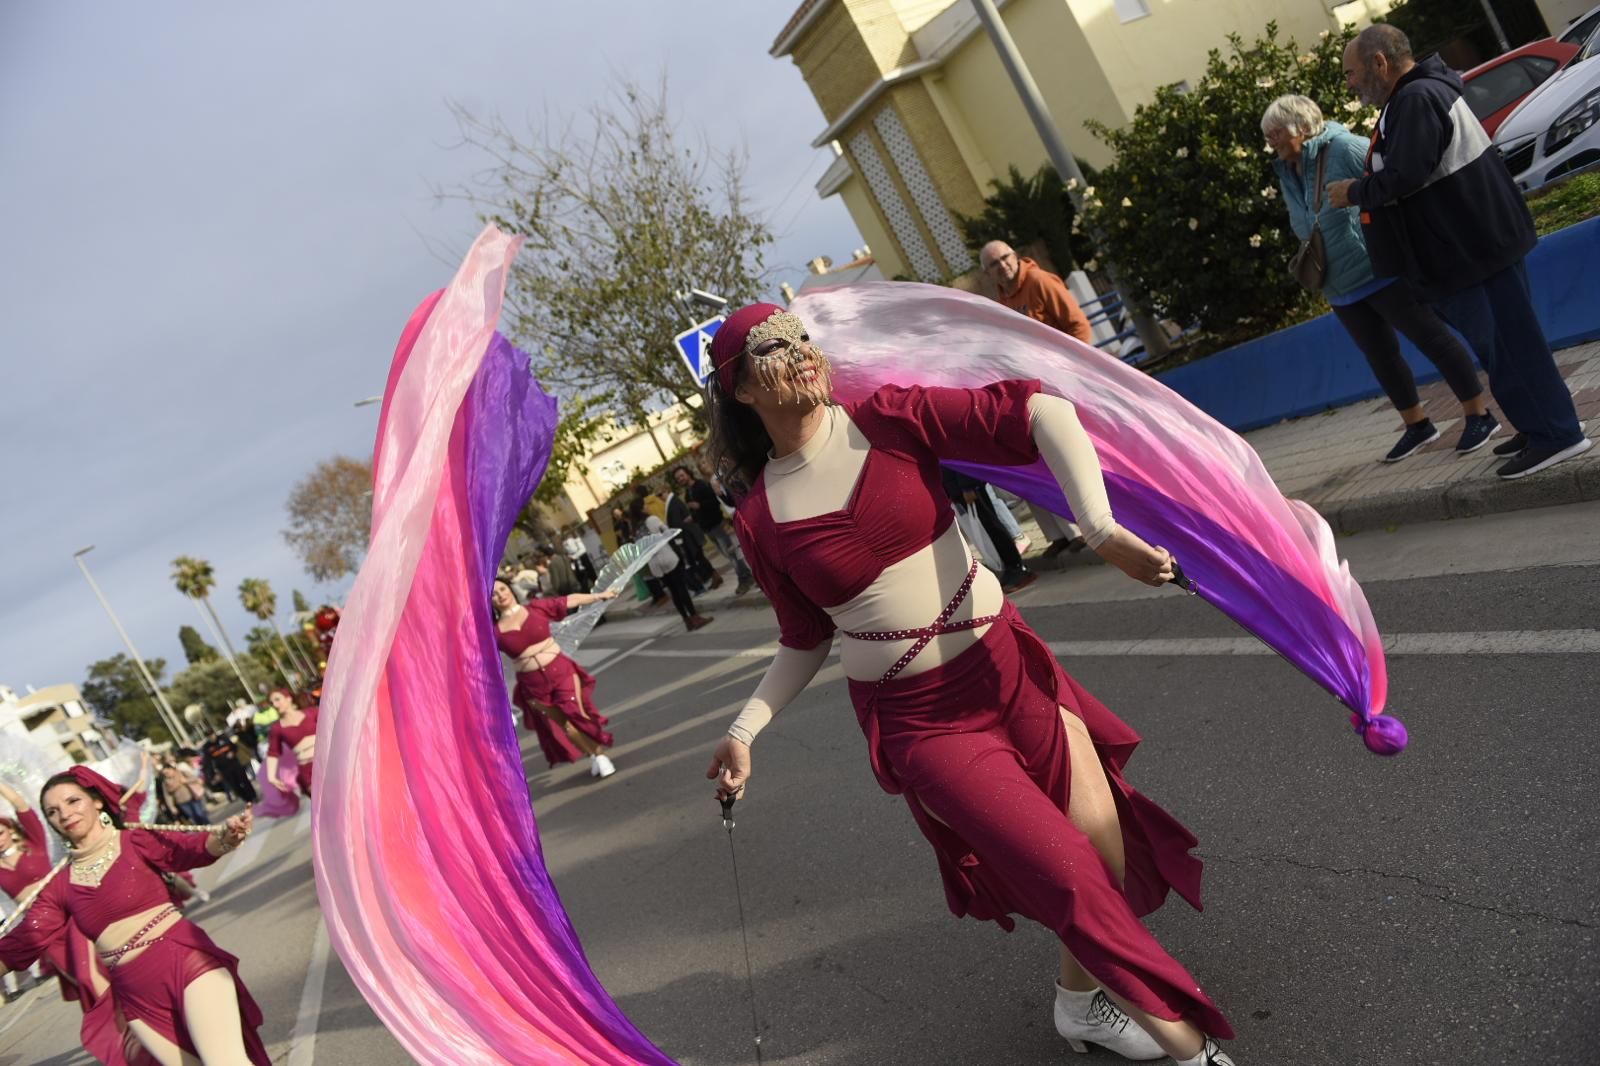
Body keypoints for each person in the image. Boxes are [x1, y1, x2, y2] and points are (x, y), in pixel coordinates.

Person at [700, 303, 1237, 1066]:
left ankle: (1079, 1005)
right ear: (743, 392)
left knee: (1101, 856)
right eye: (772, 351)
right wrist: (746, 729)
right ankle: (1193, 1049)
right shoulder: (760, 518)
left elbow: (1039, 407)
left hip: (1008, 667)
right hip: (923, 724)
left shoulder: (889, 418)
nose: (800, 355)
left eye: (800, 338)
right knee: (1073, 881)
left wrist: (1099, 529)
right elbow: (804, 637)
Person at [1328, 24, 1591, 479]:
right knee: (1502, 348)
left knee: (1512, 347)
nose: (1350, 83)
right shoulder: (1414, 97)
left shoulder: (1414, 99)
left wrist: (1354, 191)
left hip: (1475, 246)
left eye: (1352, 73)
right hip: (1472, 245)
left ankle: (1558, 434)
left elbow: (1408, 174)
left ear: (1379, 63)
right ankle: (1537, 425)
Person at [1263, 94, 1499, 462]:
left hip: (1380, 269)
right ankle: (1418, 425)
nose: (1271, 141)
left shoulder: (1345, 148)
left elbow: (1394, 185)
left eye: (1275, 132)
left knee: (1431, 339)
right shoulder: (1285, 170)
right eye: (1268, 135)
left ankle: (1479, 414)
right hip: (1338, 284)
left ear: (1303, 127)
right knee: (1381, 358)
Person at [0, 766, 267, 1065]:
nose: (64, 813)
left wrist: (226, 837)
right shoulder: (59, 885)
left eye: (73, 801)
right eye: (53, 811)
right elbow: (26, 938)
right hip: (135, 995)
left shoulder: (135, 841)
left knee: (224, 1061)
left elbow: (189, 848)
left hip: (186, 961)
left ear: (96, 801)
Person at [981, 239, 1094, 556]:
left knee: (1066, 456)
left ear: (1015, 256)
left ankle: (1084, 528)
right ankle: (1061, 535)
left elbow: (1078, 326)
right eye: (995, 263)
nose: (1003, 264)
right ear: (988, 272)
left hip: (1064, 382)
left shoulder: (1039, 282)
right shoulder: (1004, 299)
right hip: (1036, 388)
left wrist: (1075, 373)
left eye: (1006, 257)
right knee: (1032, 460)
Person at [491, 578, 620, 777]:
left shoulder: (535, 608)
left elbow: (569, 600)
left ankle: (600, 755)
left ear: (510, 589)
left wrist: (599, 596)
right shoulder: (494, 632)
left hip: (561, 671)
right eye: (494, 593)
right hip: (533, 685)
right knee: (567, 726)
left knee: (575, 712)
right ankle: (593, 754)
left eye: (503, 589)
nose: (501, 595)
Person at [941, 465, 1038, 592]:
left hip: (970, 485)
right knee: (987, 531)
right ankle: (1008, 568)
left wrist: (968, 487)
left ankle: (1017, 567)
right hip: (956, 487)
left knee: (993, 527)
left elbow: (958, 456)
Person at [631, 499, 714, 631]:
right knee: (681, 588)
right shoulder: (652, 520)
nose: (647, 506)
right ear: (641, 509)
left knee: (674, 592)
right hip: (667, 557)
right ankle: (695, 617)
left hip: (655, 565)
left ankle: (687, 621)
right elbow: (667, 532)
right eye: (645, 505)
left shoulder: (636, 529)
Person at [676, 463, 753, 594]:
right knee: (727, 554)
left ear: (688, 473)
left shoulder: (701, 485)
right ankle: (746, 575)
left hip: (717, 524)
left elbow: (714, 502)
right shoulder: (688, 494)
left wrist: (699, 505)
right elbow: (696, 512)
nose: (681, 479)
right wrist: (692, 517)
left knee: (731, 553)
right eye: (678, 478)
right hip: (707, 528)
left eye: (682, 475)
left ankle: (744, 578)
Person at [265, 688, 317, 799]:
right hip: (308, 773)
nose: (274, 704)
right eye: (272, 703)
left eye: (277, 700)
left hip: (330, 764)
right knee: (326, 807)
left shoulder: (312, 713)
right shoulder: (277, 728)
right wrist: (271, 777)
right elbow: (273, 752)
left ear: (289, 699)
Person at [203, 731, 257, 805]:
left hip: (234, 764)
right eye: (209, 736)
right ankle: (247, 799)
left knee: (244, 781)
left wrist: (232, 753)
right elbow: (208, 762)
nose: (211, 737)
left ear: (214, 734)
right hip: (224, 769)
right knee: (235, 786)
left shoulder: (223, 739)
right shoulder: (207, 747)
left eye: (212, 735)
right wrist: (213, 773)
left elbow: (234, 747)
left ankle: (253, 796)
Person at [157, 761, 208, 826]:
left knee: (200, 814)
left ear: (172, 769)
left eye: (167, 772)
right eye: (165, 774)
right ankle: (204, 831)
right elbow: (167, 796)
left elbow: (194, 778)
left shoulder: (181, 773)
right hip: (181, 802)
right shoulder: (165, 783)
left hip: (192, 796)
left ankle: (208, 826)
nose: (167, 774)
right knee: (193, 817)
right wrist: (171, 807)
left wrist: (186, 781)